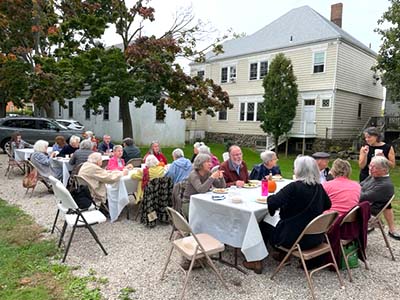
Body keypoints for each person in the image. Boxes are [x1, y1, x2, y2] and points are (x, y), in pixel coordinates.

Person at [244, 156, 331, 274]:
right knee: (287, 221)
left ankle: (256, 260)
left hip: (294, 239)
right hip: (315, 237)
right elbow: (327, 205)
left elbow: (273, 202)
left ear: (300, 170)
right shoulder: (318, 187)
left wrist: (281, 205)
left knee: (262, 222)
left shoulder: (294, 187)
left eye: (295, 167)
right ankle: (283, 255)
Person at [359, 156, 399, 240]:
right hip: (361, 207)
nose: (370, 169)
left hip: (366, 213)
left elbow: (362, 197)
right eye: (370, 166)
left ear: (384, 170)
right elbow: (359, 186)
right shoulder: (374, 176)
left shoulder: (384, 185)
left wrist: (352, 190)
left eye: (374, 167)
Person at [182, 153, 225, 219]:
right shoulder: (194, 174)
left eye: (210, 162)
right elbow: (201, 190)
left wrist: (221, 177)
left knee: (218, 213)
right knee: (208, 217)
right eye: (207, 162)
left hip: (202, 202)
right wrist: (212, 177)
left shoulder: (208, 173)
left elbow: (221, 187)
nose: (210, 164)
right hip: (190, 203)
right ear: (200, 164)